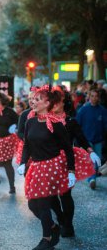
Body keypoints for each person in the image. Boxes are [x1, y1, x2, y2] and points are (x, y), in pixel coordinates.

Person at [18, 85, 75, 250]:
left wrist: (71, 171)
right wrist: (23, 162)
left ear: (47, 103)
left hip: (51, 166)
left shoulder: (56, 124)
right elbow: (27, 145)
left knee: (43, 203)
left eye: (37, 100)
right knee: (33, 205)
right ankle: (54, 227)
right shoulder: (30, 122)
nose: (33, 102)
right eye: (33, 99)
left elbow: (67, 148)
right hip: (35, 166)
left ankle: (47, 239)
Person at [50, 86, 98, 237]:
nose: (55, 104)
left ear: (64, 103)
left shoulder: (70, 121)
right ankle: (61, 217)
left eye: (58, 101)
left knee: (65, 194)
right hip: (48, 161)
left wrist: (91, 152)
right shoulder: (44, 120)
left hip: (66, 161)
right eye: (53, 102)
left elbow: (82, 139)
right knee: (50, 195)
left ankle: (68, 225)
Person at [76, 88, 107, 189]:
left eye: (96, 96)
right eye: (92, 96)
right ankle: (92, 178)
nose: (94, 98)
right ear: (89, 97)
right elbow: (77, 125)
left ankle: (92, 178)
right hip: (87, 139)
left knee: (97, 160)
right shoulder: (83, 110)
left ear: (99, 97)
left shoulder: (103, 110)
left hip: (98, 139)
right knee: (90, 160)